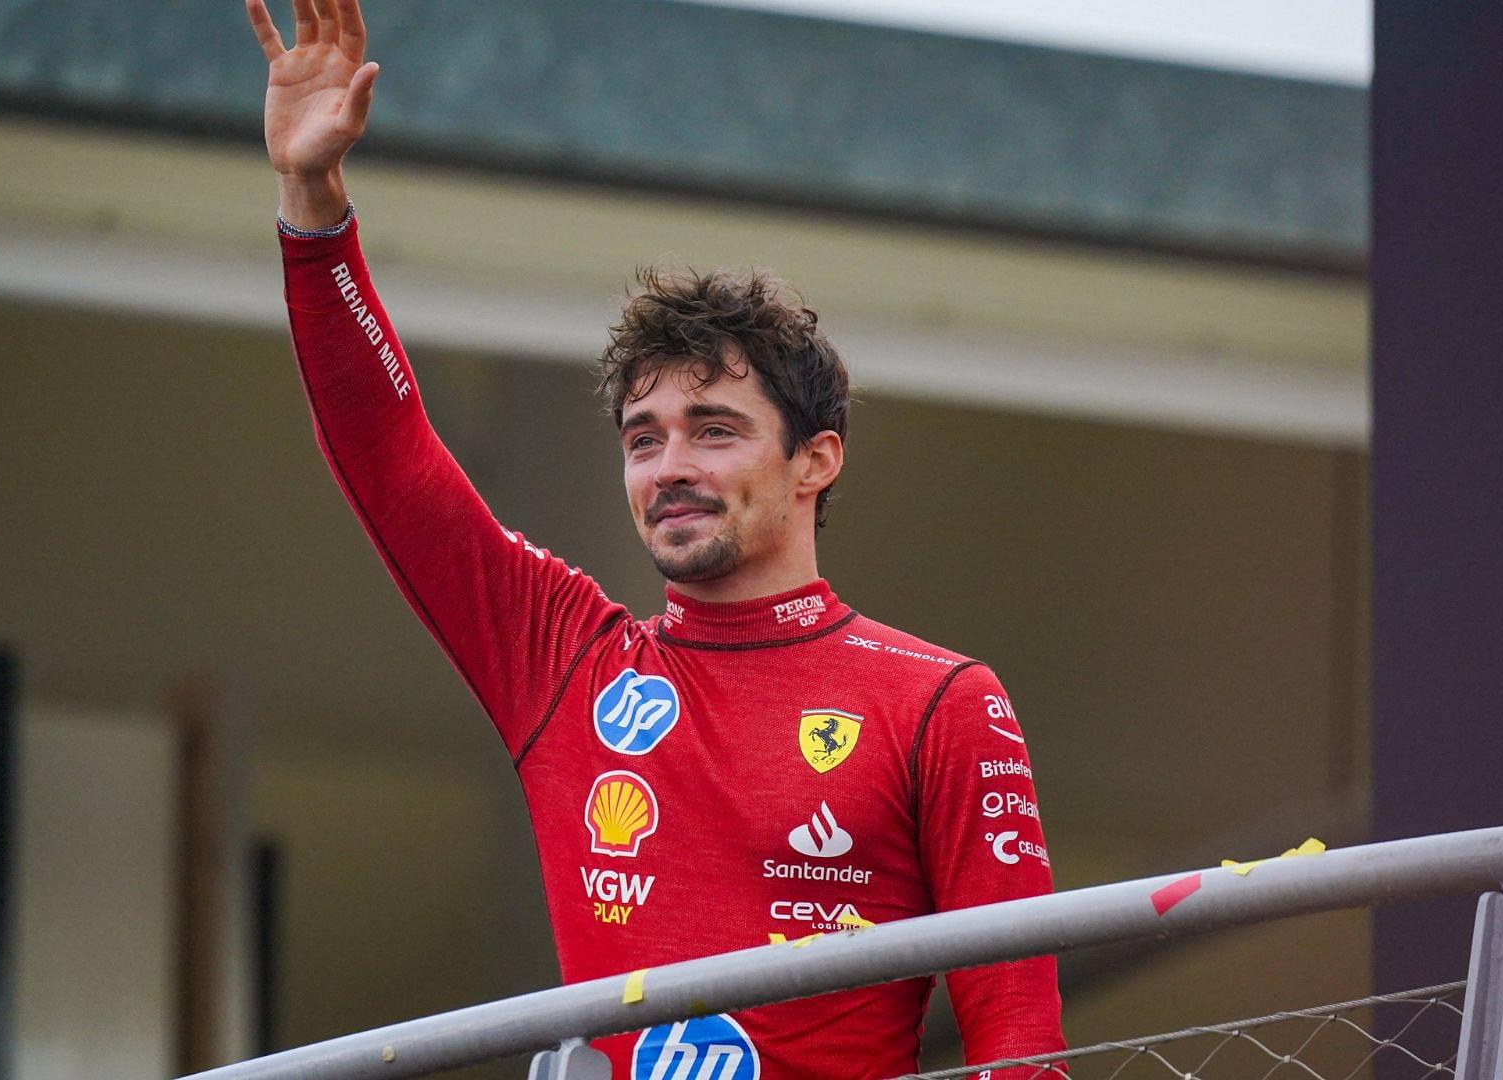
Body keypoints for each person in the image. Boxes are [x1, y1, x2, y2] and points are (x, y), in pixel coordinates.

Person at [246, 0, 1064, 1075]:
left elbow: (1018, 1036)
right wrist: (314, 208)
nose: (669, 465)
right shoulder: (566, 659)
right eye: (643, 438)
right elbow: (384, 451)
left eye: (714, 430)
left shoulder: (944, 702)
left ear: (817, 459)